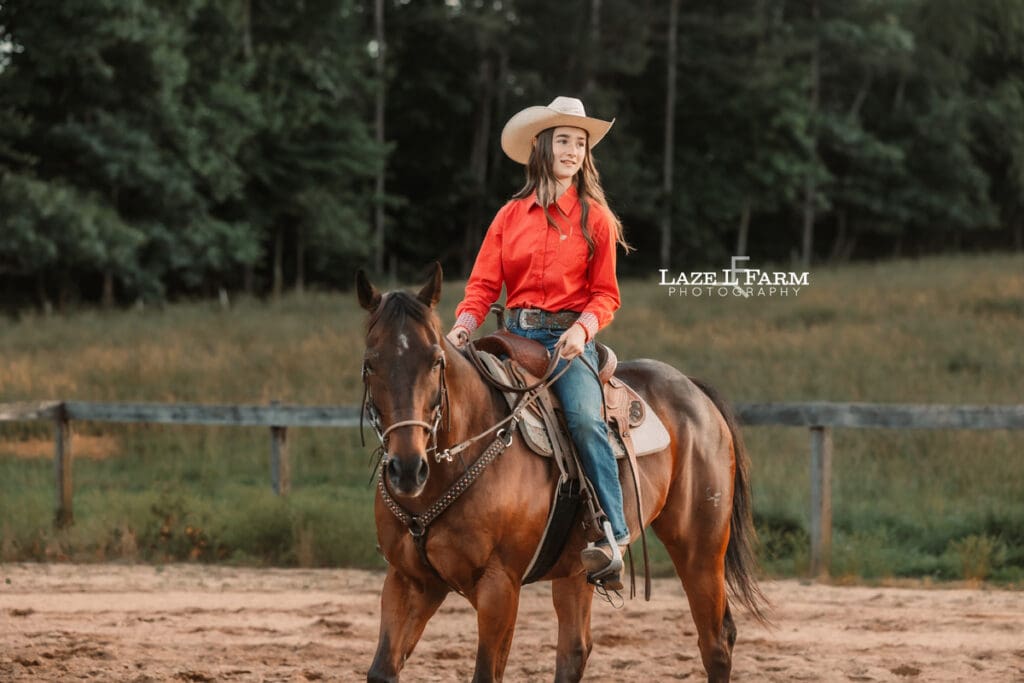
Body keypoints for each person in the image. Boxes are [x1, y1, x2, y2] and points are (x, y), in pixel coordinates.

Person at [445, 96, 633, 587]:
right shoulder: (509, 216)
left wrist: (582, 329)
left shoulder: (595, 218)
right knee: (465, 405)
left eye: (580, 143)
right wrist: (464, 324)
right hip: (513, 335)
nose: (572, 151)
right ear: (541, 148)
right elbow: (483, 285)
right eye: (564, 141)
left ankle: (613, 536)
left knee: (585, 420)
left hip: (567, 340)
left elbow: (606, 295)